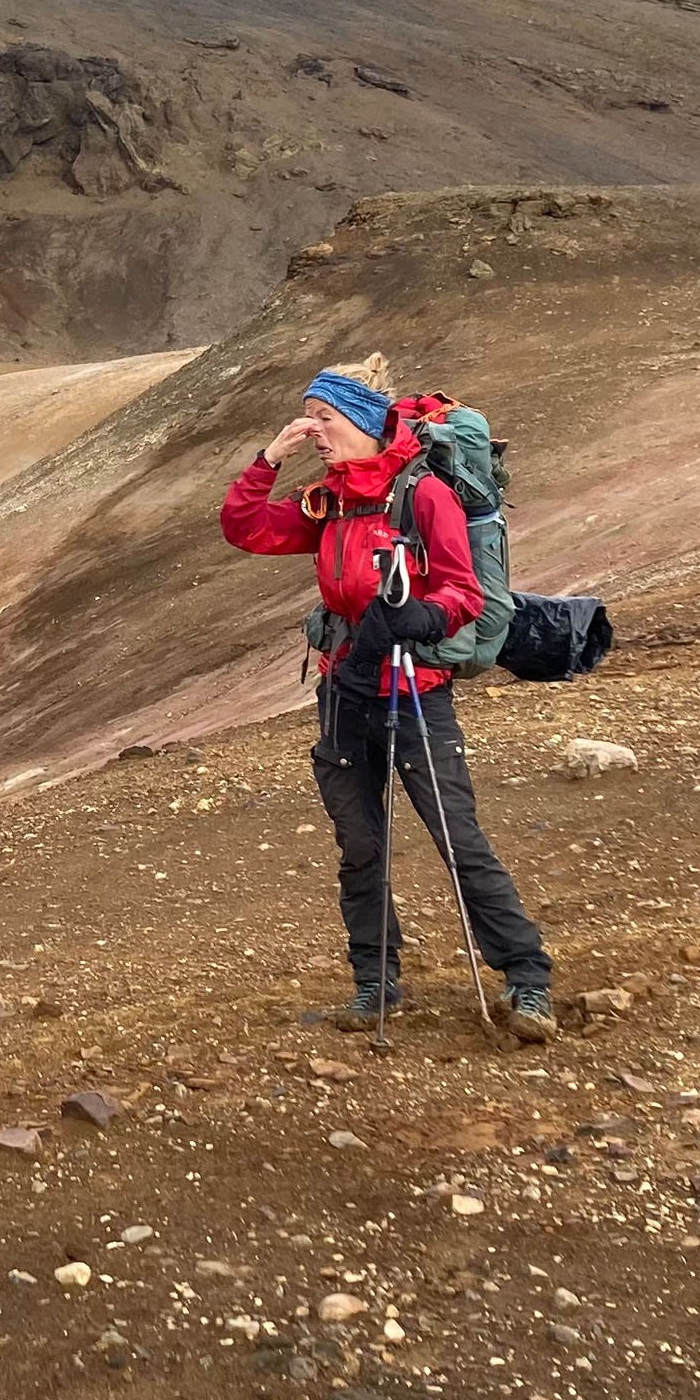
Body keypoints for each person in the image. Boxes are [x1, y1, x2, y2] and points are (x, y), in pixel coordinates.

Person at [218, 354, 558, 1042]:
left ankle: (528, 977)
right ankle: (375, 985)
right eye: (310, 418)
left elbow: (461, 591)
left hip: (413, 692)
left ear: (363, 420)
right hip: (344, 692)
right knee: (360, 846)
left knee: (457, 839)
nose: (313, 430)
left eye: (323, 418)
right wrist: (266, 459)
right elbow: (245, 528)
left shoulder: (420, 493)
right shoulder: (334, 497)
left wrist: (422, 618)